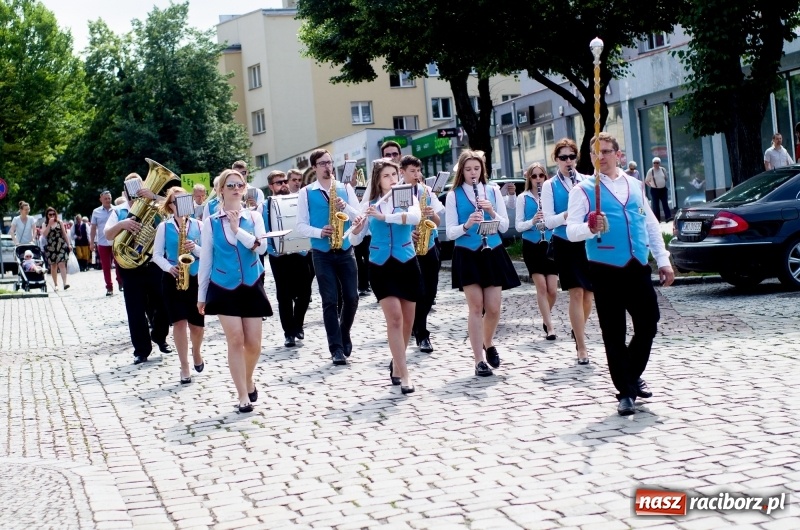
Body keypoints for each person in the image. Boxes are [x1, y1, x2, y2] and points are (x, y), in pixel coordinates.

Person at [567, 132, 674, 416]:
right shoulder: (584, 190)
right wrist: (590, 227)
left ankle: (630, 372)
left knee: (648, 323)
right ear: (591, 157)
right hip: (605, 267)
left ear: (618, 154)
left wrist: (663, 260)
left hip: (637, 265)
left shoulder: (635, 185)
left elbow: (650, 224)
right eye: (596, 153)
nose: (601, 157)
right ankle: (625, 391)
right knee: (613, 332)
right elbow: (571, 231)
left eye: (606, 151)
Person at [198, 169, 272, 413]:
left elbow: (261, 250)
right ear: (221, 190)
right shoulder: (210, 223)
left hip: (251, 283)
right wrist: (202, 296)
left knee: (254, 344)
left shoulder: (255, 217)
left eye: (240, 184)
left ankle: (249, 379)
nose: (236, 188)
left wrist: (237, 228)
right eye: (230, 185)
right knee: (236, 339)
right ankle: (242, 395)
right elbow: (206, 259)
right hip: (223, 286)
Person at [446, 150, 521, 377]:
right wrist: (467, 224)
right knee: (476, 307)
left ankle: (488, 343)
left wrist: (491, 211)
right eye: (468, 169)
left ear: (482, 170)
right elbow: (450, 232)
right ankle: (478, 360)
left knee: (495, 307)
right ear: (462, 171)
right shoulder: (453, 195)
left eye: (476, 169)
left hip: (492, 250)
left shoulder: (492, 190)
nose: (472, 173)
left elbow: (504, 225)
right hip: (467, 252)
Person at [350, 158, 419, 393]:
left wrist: (384, 217)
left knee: (409, 321)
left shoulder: (407, 197)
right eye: (386, 176)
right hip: (380, 265)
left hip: (407, 262)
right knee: (396, 318)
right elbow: (355, 239)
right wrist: (358, 228)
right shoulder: (369, 203)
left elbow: (415, 219)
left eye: (394, 175)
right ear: (378, 180)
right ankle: (405, 373)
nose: (392, 179)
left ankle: (397, 363)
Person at [296, 149, 362, 365]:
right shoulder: (306, 192)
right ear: (314, 167)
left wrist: (347, 207)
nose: (327, 166)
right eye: (322, 163)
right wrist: (319, 232)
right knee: (330, 300)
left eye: (330, 162)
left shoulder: (345, 188)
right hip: (322, 253)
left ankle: (344, 333)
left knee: (352, 297)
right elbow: (300, 225)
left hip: (344, 248)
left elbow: (359, 216)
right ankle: (335, 348)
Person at [104, 174, 171, 364]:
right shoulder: (118, 211)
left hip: (153, 263)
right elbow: (107, 234)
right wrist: (122, 224)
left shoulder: (155, 206)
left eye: (138, 190)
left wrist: (154, 197)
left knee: (163, 303)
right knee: (135, 310)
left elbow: (174, 211)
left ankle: (159, 336)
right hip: (130, 267)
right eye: (131, 192)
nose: (134, 196)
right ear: (125, 193)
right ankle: (141, 350)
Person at [540, 138, 593, 364]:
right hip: (564, 240)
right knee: (576, 292)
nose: (568, 161)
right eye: (563, 157)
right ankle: (581, 347)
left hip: (586, 240)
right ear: (556, 160)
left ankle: (577, 327)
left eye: (571, 157)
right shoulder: (549, 185)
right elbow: (548, 221)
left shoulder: (587, 181)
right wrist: (566, 215)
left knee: (589, 295)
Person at [152, 186, 206, 385]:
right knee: (179, 323)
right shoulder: (164, 227)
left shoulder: (199, 225)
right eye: (176, 201)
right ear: (170, 205)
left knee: (197, 327)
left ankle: (196, 352)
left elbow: (208, 253)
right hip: (173, 278)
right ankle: (184, 365)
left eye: (184, 200)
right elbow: (156, 255)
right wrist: (168, 268)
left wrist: (196, 247)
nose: (180, 205)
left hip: (195, 278)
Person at [261, 170, 314, 347]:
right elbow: (263, 233)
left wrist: (306, 246)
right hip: (279, 256)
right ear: (271, 186)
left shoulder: (298, 201)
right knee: (284, 296)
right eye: (278, 182)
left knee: (305, 293)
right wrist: (274, 250)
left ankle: (298, 324)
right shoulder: (264, 206)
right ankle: (289, 333)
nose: (283, 185)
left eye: (285, 181)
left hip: (300, 254)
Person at [401, 155, 443, 353]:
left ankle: (416, 324)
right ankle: (422, 333)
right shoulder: (397, 192)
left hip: (429, 244)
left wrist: (430, 214)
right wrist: (409, 232)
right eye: (412, 171)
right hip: (408, 247)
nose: (417, 175)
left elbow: (438, 221)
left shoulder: (426, 191)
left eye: (418, 171)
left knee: (431, 291)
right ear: (402, 172)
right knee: (417, 291)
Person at [517, 163, 559, 340]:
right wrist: (533, 221)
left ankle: (545, 316)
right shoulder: (523, 198)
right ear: (529, 178)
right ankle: (550, 326)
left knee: (553, 290)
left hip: (549, 243)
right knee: (541, 287)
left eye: (541, 175)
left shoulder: (550, 196)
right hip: (532, 245)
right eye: (534, 176)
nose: (538, 179)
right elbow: (518, 225)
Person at [91, 191, 122, 295]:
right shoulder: (96, 212)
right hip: (103, 243)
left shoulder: (116, 209)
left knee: (119, 263)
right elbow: (93, 228)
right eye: (106, 199)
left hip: (115, 242)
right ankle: (109, 287)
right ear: (101, 199)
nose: (108, 200)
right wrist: (91, 242)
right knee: (106, 267)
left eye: (109, 198)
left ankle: (120, 281)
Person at [41, 207, 71, 291]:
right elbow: (45, 235)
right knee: (53, 266)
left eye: (53, 214)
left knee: (62, 264)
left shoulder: (59, 222)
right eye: (50, 214)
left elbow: (64, 234)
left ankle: (65, 283)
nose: (52, 216)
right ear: (47, 215)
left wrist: (69, 244)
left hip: (60, 244)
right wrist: (49, 225)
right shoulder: (45, 224)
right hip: (51, 246)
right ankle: (56, 284)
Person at [644, 157, 672, 222]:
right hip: (655, 190)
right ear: (652, 164)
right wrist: (652, 185)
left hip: (663, 189)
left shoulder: (663, 169)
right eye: (654, 163)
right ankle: (657, 219)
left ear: (659, 163)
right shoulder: (651, 171)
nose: (656, 164)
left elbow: (666, 177)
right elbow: (646, 181)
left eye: (657, 163)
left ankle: (668, 217)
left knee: (665, 203)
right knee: (656, 205)